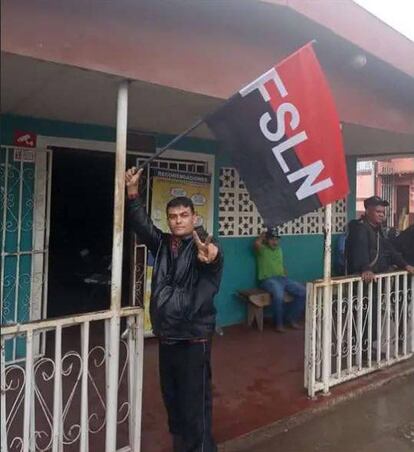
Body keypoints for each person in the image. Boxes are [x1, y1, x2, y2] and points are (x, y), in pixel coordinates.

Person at [125, 167, 223, 452]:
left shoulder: (205, 244)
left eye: (183, 216)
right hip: (168, 337)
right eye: (173, 217)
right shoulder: (165, 245)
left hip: (194, 338)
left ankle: (203, 448)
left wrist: (211, 256)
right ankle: (182, 447)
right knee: (173, 400)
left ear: (194, 218)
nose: (178, 221)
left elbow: (213, 259)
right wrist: (133, 192)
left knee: (195, 402)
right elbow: (141, 224)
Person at [345, 196, 414, 280]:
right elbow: (360, 249)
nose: (381, 214)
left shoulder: (378, 230)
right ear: (367, 211)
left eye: (383, 212)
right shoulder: (360, 228)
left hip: (377, 276)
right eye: (378, 211)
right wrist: (365, 268)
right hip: (362, 278)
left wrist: (405, 265)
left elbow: (390, 250)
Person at [254, 227, 305, 333]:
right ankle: (279, 324)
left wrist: (284, 273)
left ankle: (291, 319)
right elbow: (256, 244)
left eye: (277, 239)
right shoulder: (262, 249)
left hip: (283, 278)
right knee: (278, 294)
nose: (275, 241)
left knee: (303, 291)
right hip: (268, 280)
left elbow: (280, 265)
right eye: (272, 239)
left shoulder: (279, 250)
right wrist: (262, 236)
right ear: (267, 240)